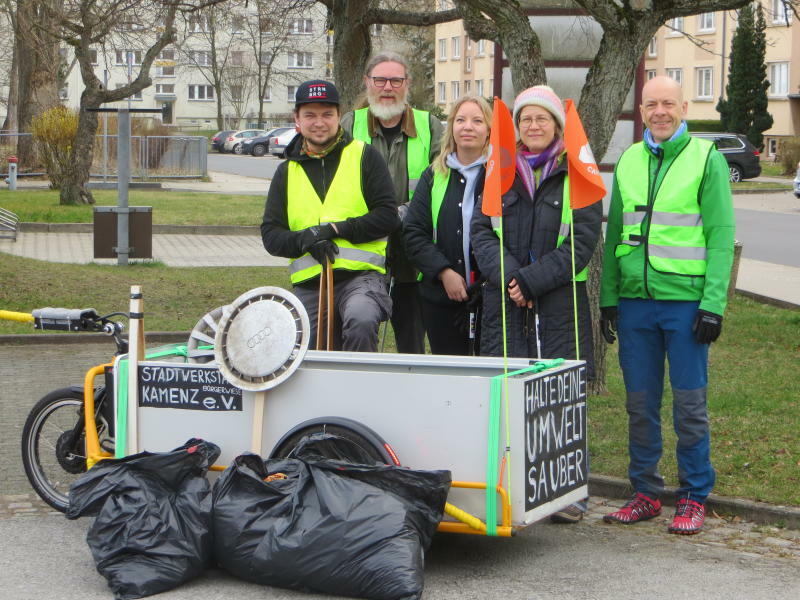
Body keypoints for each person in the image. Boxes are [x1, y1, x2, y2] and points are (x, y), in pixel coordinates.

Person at [600, 76, 735, 535]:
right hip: (636, 303)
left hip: (686, 304)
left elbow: (720, 237)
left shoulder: (706, 159)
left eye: (668, 104)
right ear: (641, 111)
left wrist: (713, 304)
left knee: (689, 405)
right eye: (651, 104)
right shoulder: (630, 160)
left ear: (684, 108)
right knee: (640, 403)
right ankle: (645, 492)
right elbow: (616, 230)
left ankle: (694, 495)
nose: (660, 112)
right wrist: (608, 299)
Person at [471, 85, 602, 523]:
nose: (533, 126)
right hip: (504, 306)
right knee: (509, 394)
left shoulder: (575, 174)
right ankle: (512, 484)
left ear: (557, 126)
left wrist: (530, 281)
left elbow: (582, 243)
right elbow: (481, 234)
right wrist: (511, 277)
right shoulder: (499, 170)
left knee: (559, 398)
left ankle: (568, 492)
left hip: (557, 306)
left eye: (542, 118)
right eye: (525, 118)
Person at [261, 80, 399, 351]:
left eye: (327, 114)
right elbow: (271, 235)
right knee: (302, 345)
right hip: (310, 285)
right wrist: (306, 239)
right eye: (310, 115)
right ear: (297, 120)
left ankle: (358, 391)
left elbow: (388, 216)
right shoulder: (286, 172)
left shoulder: (364, 157)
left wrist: (335, 230)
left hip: (362, 279)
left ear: (339, 116)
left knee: (361, 319)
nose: (319, 122)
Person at [341, 51, 444, 354]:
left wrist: (401, 215)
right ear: (367, 83)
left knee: (411, 343)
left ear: (407, 83)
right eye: (380, 80)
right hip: (361, 255)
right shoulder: (349, 125)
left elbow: (440, 184)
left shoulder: (430, 126)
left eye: (395, 80)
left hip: (413, 257)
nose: (388, 87)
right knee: (358, 331)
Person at [404, 95, 492, 355]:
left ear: (488, 130)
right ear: (451, 127)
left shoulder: (503, 175)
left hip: (491, 298)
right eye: (461, 120)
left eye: (477, 121)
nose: (468, 127)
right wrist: (444, 273)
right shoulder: (434, 174)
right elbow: (413, 233)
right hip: (441, 297)